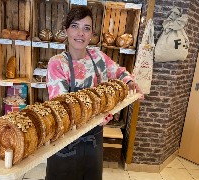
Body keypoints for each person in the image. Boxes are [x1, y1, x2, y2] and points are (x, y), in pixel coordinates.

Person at [45, 5, 143, 180]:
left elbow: (119, 72)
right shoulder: (57, 64)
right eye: (75, 26)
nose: (80, 33)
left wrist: (130, 83)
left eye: (86, 28)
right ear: (66, 30)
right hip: (66, 141)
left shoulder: (98, 57)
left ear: (91, 34)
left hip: (93, 140)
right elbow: (62, 108)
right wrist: (102, 112)